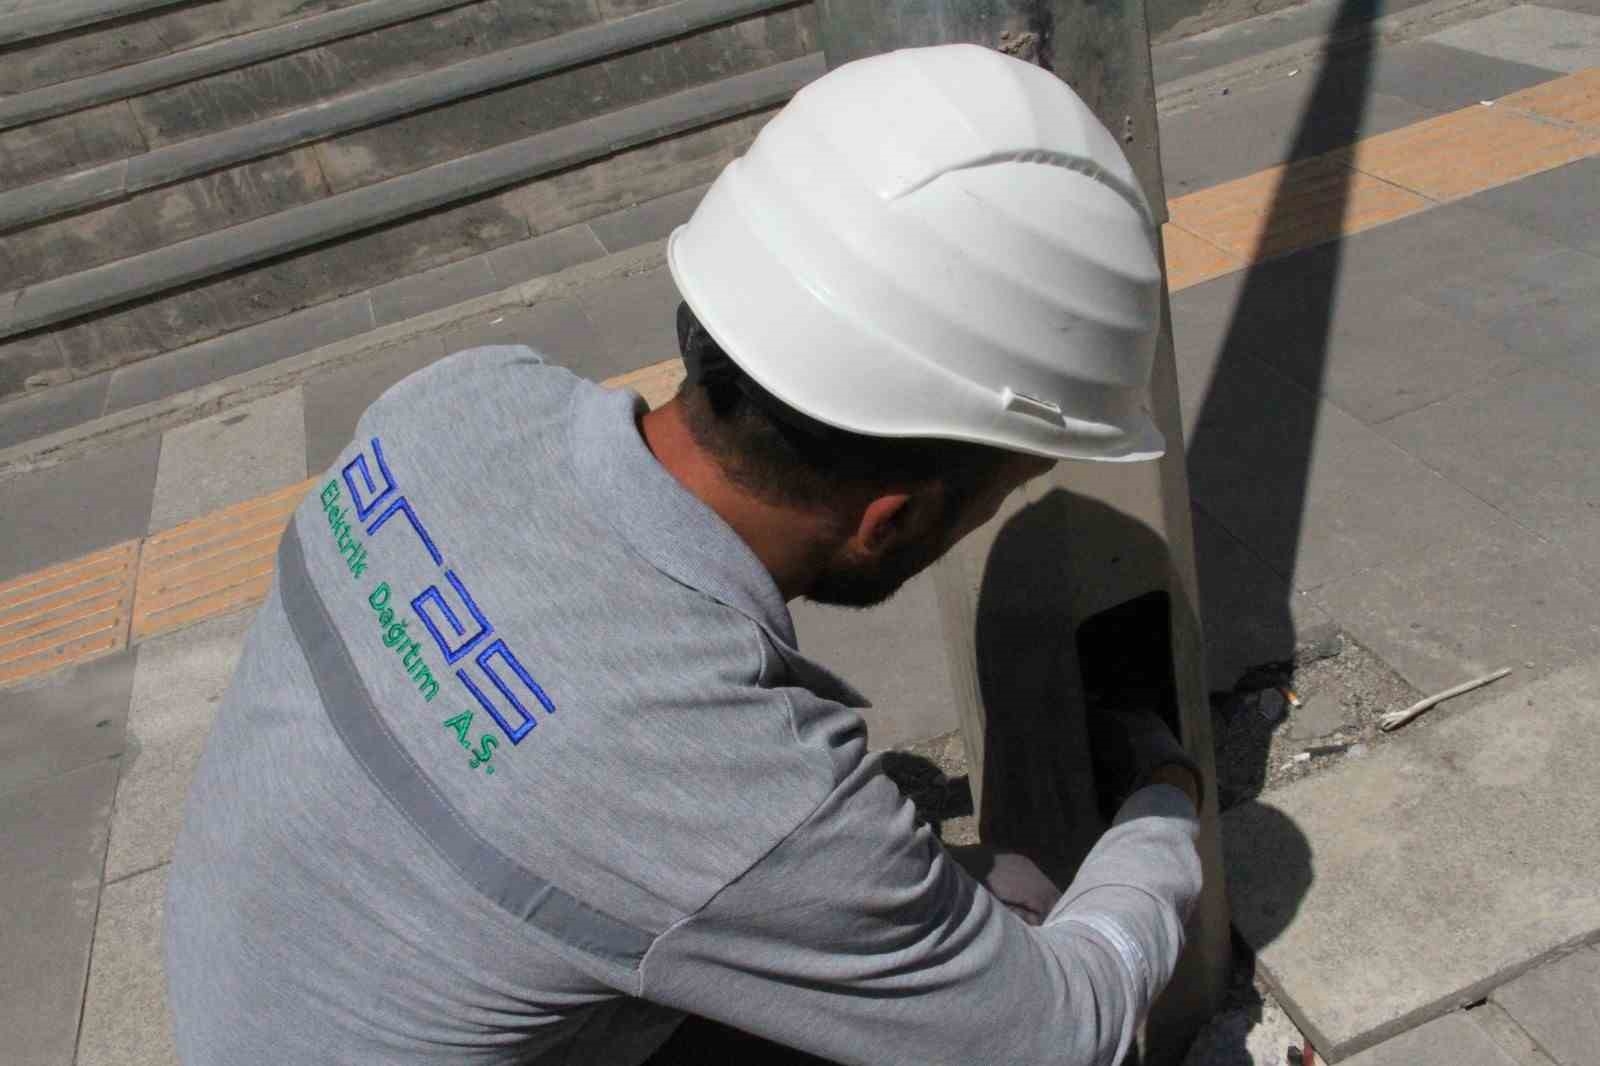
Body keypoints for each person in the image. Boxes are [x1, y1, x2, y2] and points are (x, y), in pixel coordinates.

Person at [165, 43, 1203, 1066]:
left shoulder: (457, 398)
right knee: (1019, 912)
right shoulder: (747, 792)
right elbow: (1061, 1029)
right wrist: (1165, 803)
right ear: (888, 521)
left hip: (256, 1004)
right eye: (1005, 490)